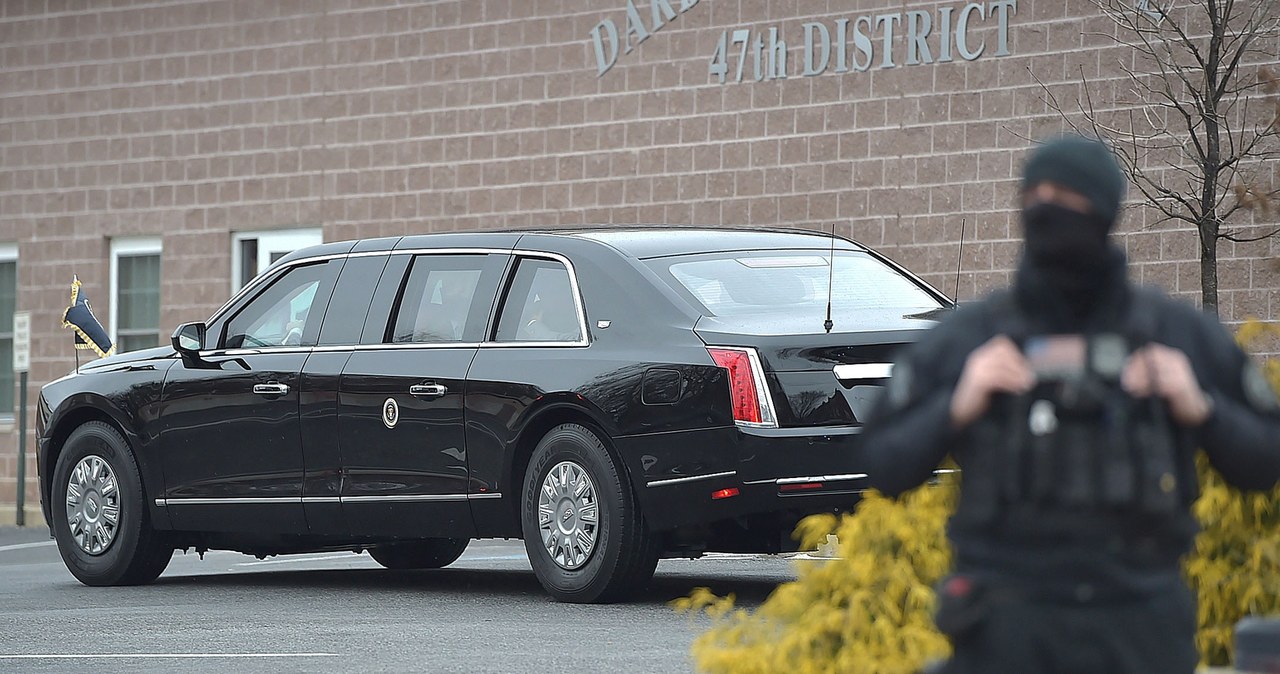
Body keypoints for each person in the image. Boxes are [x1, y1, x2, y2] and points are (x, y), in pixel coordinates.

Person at [857, 134, 1280, 673]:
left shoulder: (1173, 334)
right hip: (1007, 626)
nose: (1047, 206)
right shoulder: (973, 338)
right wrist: (956, 403)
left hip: (1137, 626)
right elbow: (880, 463)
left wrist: (1202, 407)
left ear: (1103, 208)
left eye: (1065, 193)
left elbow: (1267, 459)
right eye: (1035, 193)